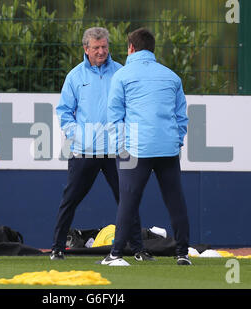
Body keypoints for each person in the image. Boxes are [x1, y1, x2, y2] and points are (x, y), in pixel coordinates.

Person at [50, 27, 147, 260]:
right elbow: (64, 111)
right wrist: (78, 135)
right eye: (96, 48)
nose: (101, 51)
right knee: (70, 200)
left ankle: (138, 250)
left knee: (127, 200)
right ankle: (57, 248)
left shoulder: (122, 72)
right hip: (84, 151)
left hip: (116, 151)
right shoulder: (74, 76)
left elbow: (132, 108)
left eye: (104, 46)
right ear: (86, 49)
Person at [101, 27, 191, 266]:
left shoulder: (121, 76)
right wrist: (176, 140)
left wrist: (121, 147)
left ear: (131, 48)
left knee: (128, 202)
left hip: (135, 149)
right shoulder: (172, 77)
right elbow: (181, 117)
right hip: (168, 149)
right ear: (152, 48)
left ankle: (116, 254)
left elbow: (114, 118)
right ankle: (182, 253)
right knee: (175, 200)